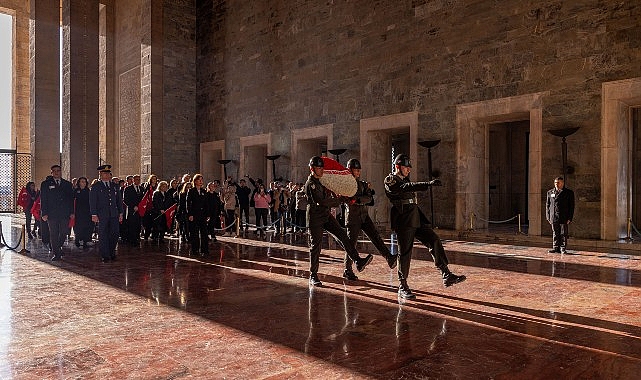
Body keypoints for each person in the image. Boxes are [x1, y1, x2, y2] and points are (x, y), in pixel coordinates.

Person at [384, 154, 466, 299]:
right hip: (403, 221)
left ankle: (446, 274)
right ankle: (402, 286)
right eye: (406, 167)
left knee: (433, 239)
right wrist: (426, 184)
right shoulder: (390, 180)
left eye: (409, 167)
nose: (408, 170)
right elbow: (404, 188)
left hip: (416, 218)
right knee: (405, 252)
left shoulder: (405, 178)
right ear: (397, 166)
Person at [305, 156, 373, 287]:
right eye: (318, 168)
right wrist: (341, 200)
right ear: (312, 169)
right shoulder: (311, 184)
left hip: (325, 215)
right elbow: (322, 201)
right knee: (316, 246)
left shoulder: (323, 181)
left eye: (321, 168)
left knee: (342, 236)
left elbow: (332, 190)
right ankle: (313, 275)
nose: (320, 170)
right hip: (315, 217)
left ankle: (358, 260)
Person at [343, 158, 397, 281]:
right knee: (351, 245)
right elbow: (348, 199)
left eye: (358, 170)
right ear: (349, 170)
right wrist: (360, 198)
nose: (358, 172)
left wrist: (357, 199)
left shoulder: (362, 184)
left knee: (376, 237)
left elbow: (369, 200)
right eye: (356, 170)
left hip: (364, 216)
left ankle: (389, 257)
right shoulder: (345, 184)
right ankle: (347, 270)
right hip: (353, 218)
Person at [40, 164, 74, 261]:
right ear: (51, 172)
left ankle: (57, 246)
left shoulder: (67, 184)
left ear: (60, 172)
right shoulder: (45, 184)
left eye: (58, 170)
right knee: (54, 233)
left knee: (63, 232)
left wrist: (72, 212)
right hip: (52, 213)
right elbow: (43, 199)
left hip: (64, 213)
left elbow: (70, 199)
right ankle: (57, 253)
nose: (56, 172)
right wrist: (44, 213)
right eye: (54, 171)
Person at [90, 165, 123, 263]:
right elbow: (92, 201)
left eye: (108, 173)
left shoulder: (114, 186)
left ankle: (111, 252)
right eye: (105, 173)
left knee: (115, 233)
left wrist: (120, 212)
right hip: (102, 214)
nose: (107, 175)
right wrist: (94, 214)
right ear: (100, 174)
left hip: (113, 214)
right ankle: (105, 255)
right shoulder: (96, 186)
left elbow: (119, 200)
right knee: (103, 234)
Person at [546, 176, 575, 253]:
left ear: (562, 183)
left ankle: (563, 248)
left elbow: (571, 206)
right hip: (553, 216)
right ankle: (555, 247)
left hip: (564, 217)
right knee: (555, 232)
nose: (556, 184)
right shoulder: (550, 192)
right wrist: (548, 217)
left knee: (563, 233)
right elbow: (548, 205)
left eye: (558, 183)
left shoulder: (569, 193)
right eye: (555, 183)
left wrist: (570, 218)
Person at [187, 174, 212, 256]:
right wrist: (190, 214)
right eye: (199, 180)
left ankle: (205, 250)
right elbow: (189, 204)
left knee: (204, 233)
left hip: (203, 215)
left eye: (202, 180)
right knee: (194, 233)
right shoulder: (191, 191)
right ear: (195, 181)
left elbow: (207, 204)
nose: (201, 181)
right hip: (194, 215)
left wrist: (208, 214)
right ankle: (195, 250)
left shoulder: (204, 192)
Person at [123, 174, 144, 245]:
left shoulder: (141, 189)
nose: (138, 181)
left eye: (139, 179)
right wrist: (133, 206)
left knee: (138, 224)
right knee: (132, 224)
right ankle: (131, 239)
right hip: (132, 210)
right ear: (133, 180)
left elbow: (143, 199)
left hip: (139, 210)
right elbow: (125, 199)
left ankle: (137, 237)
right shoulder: (128, 189)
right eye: (136, 179)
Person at [73, 177, 93, 248]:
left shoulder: (88, 191)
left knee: (86, 227)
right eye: (82, 181)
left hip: (87, 212)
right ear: (79, 183)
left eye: (84, 181)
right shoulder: (75, 191)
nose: (83, 183)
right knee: (78, 227)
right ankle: (78, 239)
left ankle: (86, 240)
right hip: (78, 212)